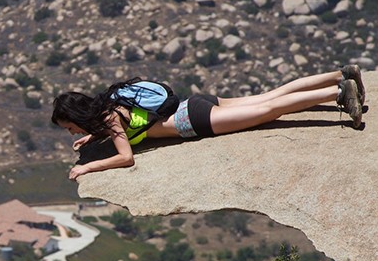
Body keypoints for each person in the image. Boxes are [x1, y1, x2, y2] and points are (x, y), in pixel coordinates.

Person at [52, 66, 365, 180]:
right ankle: (340, 73)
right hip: (193, 102)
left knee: (270, 109)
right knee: (269, 95)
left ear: (78, 118)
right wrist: (90, 140)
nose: (72, 133)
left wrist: (87, 167)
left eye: (70, 127)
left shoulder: (108, 121)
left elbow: (126, 156)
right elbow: (130, 126)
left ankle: (338, 93)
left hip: (196, 121)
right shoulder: (108, 104)